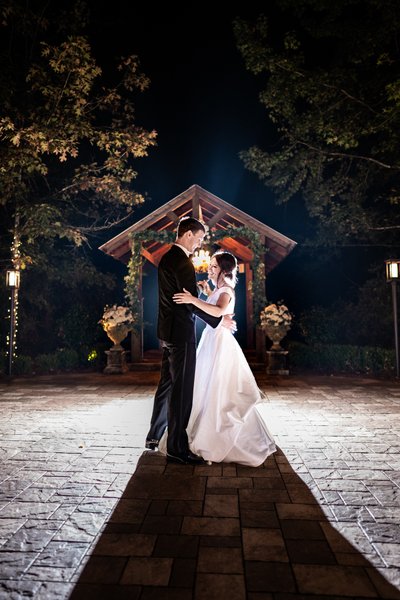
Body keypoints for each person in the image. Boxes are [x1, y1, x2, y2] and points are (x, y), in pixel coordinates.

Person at [172, 250, 276, 467]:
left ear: (225, 270)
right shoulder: (219, 288)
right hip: (211, 339)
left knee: (220, 390)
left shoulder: (227, 289)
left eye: (214, 266)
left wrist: (192, 299)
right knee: (205, 387)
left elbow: (219, 310)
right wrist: (205, 291)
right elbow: (215, 310)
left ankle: (220, 440)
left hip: (220, 344)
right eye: (210, 265)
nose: (209, 269)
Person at [145, 217, 235, 465]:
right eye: (199, 237)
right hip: (181, 334)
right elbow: (189, 301)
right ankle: (176, 448)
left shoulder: (166, 258)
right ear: (187, 234)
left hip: (167, 331)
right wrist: (219, 320)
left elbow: (182, 298)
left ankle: (154, 435)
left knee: (166, 385)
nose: (200, 243)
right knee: (182, 391)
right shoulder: (183, 262)